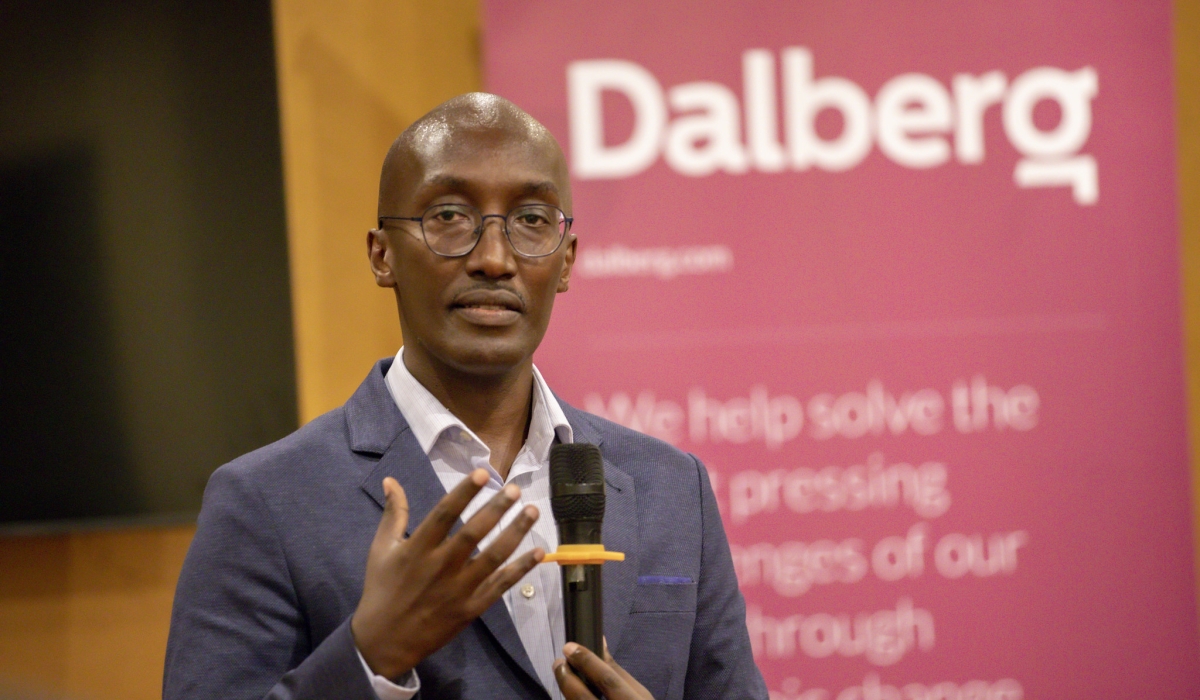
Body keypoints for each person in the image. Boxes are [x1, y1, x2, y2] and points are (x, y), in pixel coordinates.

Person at [163, 93, 767, 700]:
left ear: (565, 262)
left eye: (532, 219)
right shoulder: (265, 503)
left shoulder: (672, 487)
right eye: (449, 215)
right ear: (382, 254)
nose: (494, 259)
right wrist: (371, 656)